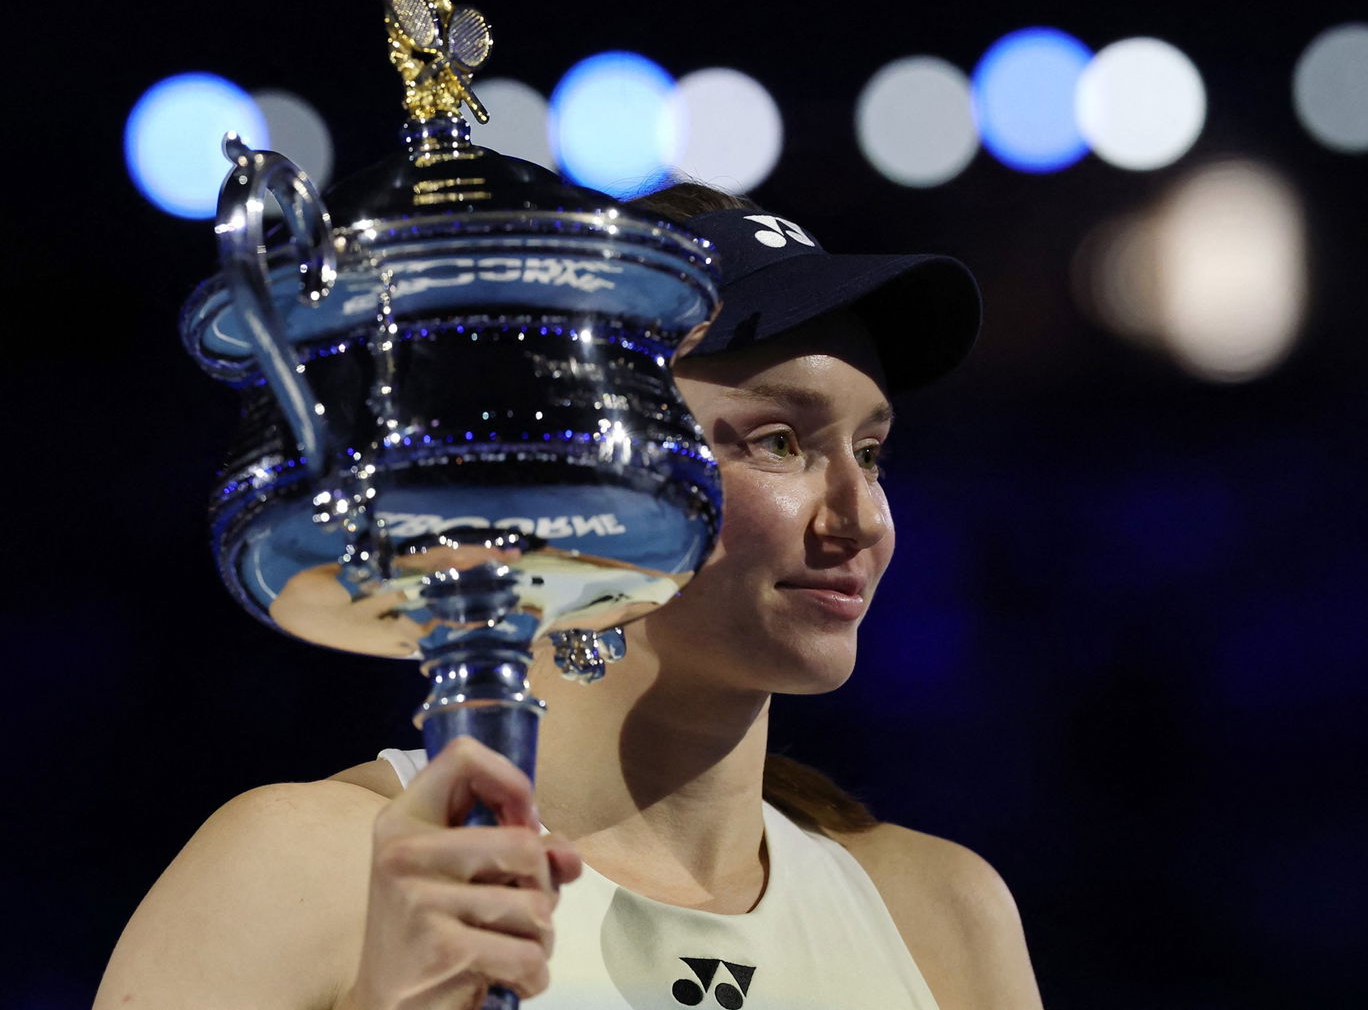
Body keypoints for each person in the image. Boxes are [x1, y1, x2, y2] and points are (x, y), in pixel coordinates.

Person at [94, 182, 1043, 1009]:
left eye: (870, 453)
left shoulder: (942, 913)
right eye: (777, 441)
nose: (861, 517)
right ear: (574, 467)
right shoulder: (305, 868)